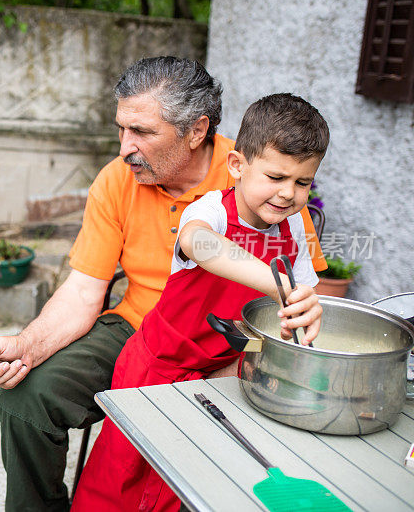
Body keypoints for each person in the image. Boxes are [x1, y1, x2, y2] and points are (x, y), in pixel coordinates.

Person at [0, 57, 327, 511]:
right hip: (143, 333)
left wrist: (252, 358)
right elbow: (83, 291)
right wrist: (28, 345)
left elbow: (307, 290)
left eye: (142, 133)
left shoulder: (266, 172)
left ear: (196, 131)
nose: (124, 148)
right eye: (122, 129)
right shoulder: (118, 180)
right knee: (28, 397)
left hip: (235, 345)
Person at [71, 93, 329, 511]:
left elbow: (303, 302)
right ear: (238, 166)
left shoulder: (294, 225)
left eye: (302, 183)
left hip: (227, 372)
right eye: (276, 177)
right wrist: (277, 283)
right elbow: (199, 243)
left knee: (189, 480)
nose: (288, 194)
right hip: (156, 369)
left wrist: (307, 312)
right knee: (122, 478)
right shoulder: (213, 212)